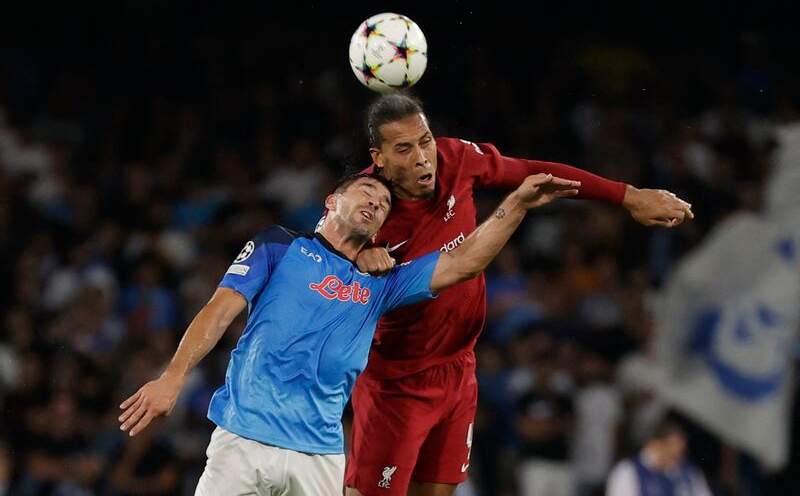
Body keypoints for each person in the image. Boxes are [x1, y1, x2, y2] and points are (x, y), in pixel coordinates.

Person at [117, 171, 580, 495]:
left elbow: (463, 262)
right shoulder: (279, 245)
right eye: (365, 193)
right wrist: (173, 376)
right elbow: (219, 310)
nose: (376, 203)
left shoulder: (384, 282)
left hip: (319, 455)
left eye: (383, 205)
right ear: (332, 202)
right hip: (243, 439)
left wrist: (516, 206)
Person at [343, 93, 694, 496]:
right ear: (380, 157)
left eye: (425, 141)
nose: (424, 157)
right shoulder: (363, 208)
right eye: (404, 149)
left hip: (459, 370)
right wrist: (353, 253)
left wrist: (627, 195)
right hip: (397, 383)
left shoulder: (456, 158)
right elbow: (319, 255)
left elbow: (531, 171)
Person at [606, 419, 712, 496]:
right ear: (655, 445)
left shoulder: (689, 472)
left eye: (681, 452)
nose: (677, 458)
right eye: (671, 452)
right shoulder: (629, 471)